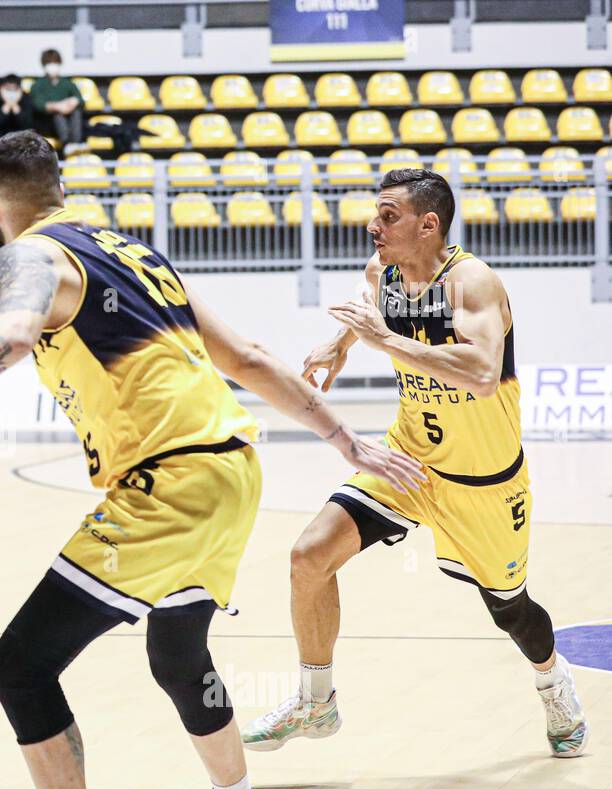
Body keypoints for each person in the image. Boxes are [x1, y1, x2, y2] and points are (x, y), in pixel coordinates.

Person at [0, 131, 425, 789]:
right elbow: (249, 358)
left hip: (170, 482)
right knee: (177, 648)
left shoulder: (29, 254)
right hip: (234, 470)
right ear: (60, 189)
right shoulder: (140, 255)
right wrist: (344, 441)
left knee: (20, 668)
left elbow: (9, 333)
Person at [241, 168, 588, 758]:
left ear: (429, 224)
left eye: (388, 215)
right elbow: (368, 306)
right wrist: (339, 344)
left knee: (511, 611)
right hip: (408, 457)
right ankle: (315, 701)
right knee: (308, 557)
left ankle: (553, 680)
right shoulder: (386, 272)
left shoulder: (473, 282)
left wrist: (382, 343)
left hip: (484, 479)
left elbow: (480, 373)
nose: (373, 226)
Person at [29, 49, 85, 154]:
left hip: (69, 119)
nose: (53, 66)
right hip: (47, 123)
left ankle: (75, 143)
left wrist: (73, 102)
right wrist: (57, 106)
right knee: (58, 115)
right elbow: (37, 104)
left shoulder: (67, 83)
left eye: (55, 63)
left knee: (76, 112)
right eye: (49, 63)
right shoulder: (38, 85)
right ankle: (66, 143)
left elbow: (80, 99)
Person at [0, 74, 34, 150]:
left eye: (14, 89)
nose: (11, 93)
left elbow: (27, 123)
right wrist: (5, 107)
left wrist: (15, 107)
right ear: (1, 88)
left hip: (17, 132)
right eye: (8, 89)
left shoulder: (26, 98)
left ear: (20, 90)